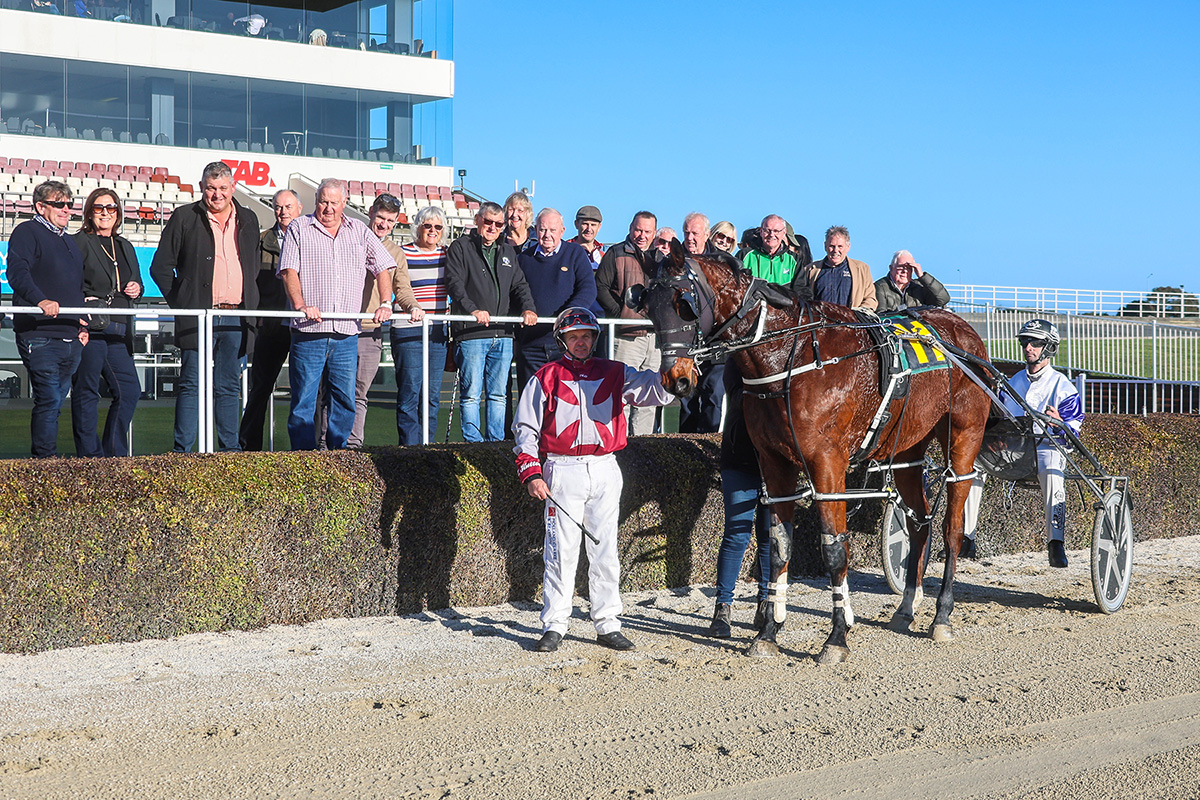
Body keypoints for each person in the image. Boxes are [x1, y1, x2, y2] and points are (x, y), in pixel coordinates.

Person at [514, 307, 673, 653]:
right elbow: (525, 429)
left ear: (595, 338)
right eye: (574, 337)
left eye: (586, 336)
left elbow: (654, 390)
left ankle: (608, 623)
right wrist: (531, 472)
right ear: (562, 340)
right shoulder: (545, 377)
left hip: (605, 466)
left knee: (605, 549)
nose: (582, 342)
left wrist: (676, 371)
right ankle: (555, 625)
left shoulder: (615, 371)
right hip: (562, 469)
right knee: (560, 551)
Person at [150, 161, 261, 452]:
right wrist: (183, 303)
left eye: (223, 188)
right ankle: (182, 452)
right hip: (198, 317)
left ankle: (229, 452)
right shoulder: (184, 217)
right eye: (211, 188)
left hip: (236, 316)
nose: (217, 194)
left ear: (233, 188)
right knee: (191, 385)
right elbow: (160, 268)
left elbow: (253, 268)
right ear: (202, 188)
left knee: (229, 388)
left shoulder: (249, 219)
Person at [277, 178, 394, 450]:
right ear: (316, 201)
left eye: (333, 202)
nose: (328, 208)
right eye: (323, 202)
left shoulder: (359, 231)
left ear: (344, 203)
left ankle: (338, 458)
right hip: (308, 332)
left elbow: (383, 267)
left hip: (346, 334)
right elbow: (288, 271)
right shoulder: (299, 227)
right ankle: (304, 460)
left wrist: (386, 302)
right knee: (304, 400)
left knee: (344, 400)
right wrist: (300, 303)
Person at [962, 319, 1083, 567]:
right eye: (1025, 341)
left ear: (1049, 347)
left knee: (1052, 464)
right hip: (1014, 451)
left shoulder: (1064, 388)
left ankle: (1056, 543)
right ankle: (966, 539)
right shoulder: (1011, 382)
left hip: (1045, 449)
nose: (1028, 347)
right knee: (972, 464)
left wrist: (1059, 422)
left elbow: (1073, 434)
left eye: (1035, 342)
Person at [317, 193, 417, 448]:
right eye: (381, 217)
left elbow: (402, 289)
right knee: (331, 392)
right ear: (371, 212)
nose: (384, 224)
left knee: (359, 393)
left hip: (369, 331)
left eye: (390, 221)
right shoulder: (350, 237)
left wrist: (413, 306)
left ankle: (352, 447)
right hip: (337, 327)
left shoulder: (396, 252)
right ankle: (324, 446)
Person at [6, 180, 88, 457]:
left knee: (56, 402)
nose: (66, 210)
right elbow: (17, 273)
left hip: (70, 335)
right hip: (39, 334)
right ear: (41, 207)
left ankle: (48, 462)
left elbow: (76, 287)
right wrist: (40, 300)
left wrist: (80, 323)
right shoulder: (27, 232)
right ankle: (44, 462)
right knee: (49, 398)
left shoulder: (69, 241)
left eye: (69, 204)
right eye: (59, 204)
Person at [444, 201, 537, 442]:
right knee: (471, 395)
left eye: (498, 224)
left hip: (503, 334)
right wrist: (472, 310)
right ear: (477, 220)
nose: (493, 227)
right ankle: (473, 445)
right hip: (472, 333)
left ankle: (494, 445)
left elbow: (520, 285)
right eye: (488, 222)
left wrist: (528, 308)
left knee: (498, 396)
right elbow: (454, 284)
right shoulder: (460, 247)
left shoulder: (507, 251)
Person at [71, 188, 143, 458]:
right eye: (99, 208)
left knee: (130, 390)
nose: (105, 213)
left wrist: (137, 287)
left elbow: (135, 280)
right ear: (89, 212)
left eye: (111, 208)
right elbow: (71, 285)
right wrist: (79, 320)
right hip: (91, 328)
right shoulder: (79, 242)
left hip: (119, 330)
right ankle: (89, 457)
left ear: (118, 213)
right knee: (87, 390)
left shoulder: (124, 245)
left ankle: (113, 453)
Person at [708, 361, 772, 637]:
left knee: (770, 536)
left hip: (776, 462)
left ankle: (767, 602)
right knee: (736, 534)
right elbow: (740, 397)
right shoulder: (737, 363)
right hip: (740, 457)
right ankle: (723, 606)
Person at [239, 189, 302, 451]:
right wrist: (259, 316)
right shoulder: (261, 240)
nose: (283, 211)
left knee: (310, 391)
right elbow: (250, 282)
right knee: (261, 388)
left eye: (288, 206)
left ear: (299, 208)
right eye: (278, 207)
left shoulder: (311, 237)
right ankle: (248, 449)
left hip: (304, 325)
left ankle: (311, 449)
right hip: (272, 325)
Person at [514, 208, 596, 389]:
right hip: (531, 346)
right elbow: (516, 292)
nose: (547, 235)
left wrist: (565, 317)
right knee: (531, 403)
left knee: (565, 403)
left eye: (552, 230)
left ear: (562, 231)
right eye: (543, 230)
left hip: (566, 344)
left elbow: (588, 290)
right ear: (535, 230)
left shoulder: (575, 254)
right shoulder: (523, 259)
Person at [595, 211, 661, 435]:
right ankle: (618, 445)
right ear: (631, 228)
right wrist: (619, 313)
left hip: (654, 339)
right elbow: (600, 287)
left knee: (648, 397)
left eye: (647, 231)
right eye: (638, 230)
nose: (642, 235)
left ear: (654, 233)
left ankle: (643, 447)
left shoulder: (661, 260)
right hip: (625, 338)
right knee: (621, 393)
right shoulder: (615, 253)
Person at [391, 205, 451, 445]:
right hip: (408, 329)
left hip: (437, 331)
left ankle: (427, 448)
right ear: (418, 227)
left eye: (438, 226)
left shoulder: (448, 254)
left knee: (432, 397)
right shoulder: (402, 253)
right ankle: (409, 450)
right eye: (428, 225)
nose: (433, 231)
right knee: (409, 394)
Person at [677, 212, 728, 434]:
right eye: (687, 232)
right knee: (687, 398)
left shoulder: (721, 262)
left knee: (713, 395)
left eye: (695, 233)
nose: (690, 238)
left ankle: (708, 447)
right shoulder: (672, 260)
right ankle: (684, 451)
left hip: (716, 342)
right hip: (685, 341)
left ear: (707, 235)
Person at [792, 225, 877, 310]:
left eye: (840, 246)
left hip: (851, 321)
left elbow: (871, 299)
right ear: (825, 246)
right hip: (821, 321)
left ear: (848, 247)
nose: (836, 250)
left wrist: (856, 315)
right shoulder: (810, 270)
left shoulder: (862, 269)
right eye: (832, 246)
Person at [874, 250, 951, 312]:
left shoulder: (918, 287)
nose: (905, 271)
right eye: (901, 267)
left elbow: (943, 299)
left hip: (917, 329)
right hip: (892, 329)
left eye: (909, 268)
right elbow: (881, 314)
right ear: (891, 268)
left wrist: (922, 276)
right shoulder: (880, 287)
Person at [739, 215, 802, 286]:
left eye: (776, 231)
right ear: (761, 232)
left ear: (784, 232)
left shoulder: (794, 260)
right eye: (767, 230)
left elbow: (801, 290)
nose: (771, 235)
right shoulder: (744, 255)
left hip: (782, 297)